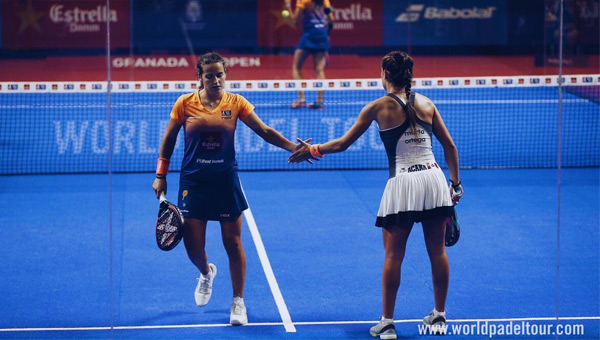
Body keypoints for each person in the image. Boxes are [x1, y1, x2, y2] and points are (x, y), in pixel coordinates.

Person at [288, 51, 463, 339]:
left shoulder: (377, 107)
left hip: (403, 184)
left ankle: (388, 323)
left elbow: (343, 144)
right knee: (438, 253)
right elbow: (450, 147)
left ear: (384, 74)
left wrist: (313, 149)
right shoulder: (428, 104)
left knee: (393, 256)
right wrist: (455, 185)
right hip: (434, 179)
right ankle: (440, 316)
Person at [152, 52, 304, 326]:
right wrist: (161, 174)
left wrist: (295, 147)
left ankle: (238, 301)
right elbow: (169, 139)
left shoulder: (236, 103)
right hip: (193, 182)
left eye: (219, 74)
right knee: (193, 247)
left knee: (233, 243)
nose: (215, 79)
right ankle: (207, 273)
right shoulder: (185, 103)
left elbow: (265, 131)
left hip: (224, 180)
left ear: (226, 75)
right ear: (199, 77)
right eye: (209, 75)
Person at [285, 0, 334, 109]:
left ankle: (302, 99)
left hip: (308, 36)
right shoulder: (325, 1)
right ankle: (319, 102)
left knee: (296, 67)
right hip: (322, 35)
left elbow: (294, 19)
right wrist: (327, 35)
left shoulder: (303, 1)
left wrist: (288, 5)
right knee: (319, 69)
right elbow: (331, 20)